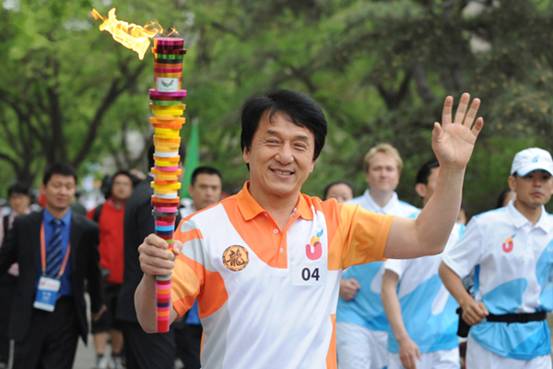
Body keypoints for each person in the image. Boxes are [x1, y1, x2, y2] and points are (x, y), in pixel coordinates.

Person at [135, 90, 484, 369]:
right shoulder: (203, 228)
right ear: (246, 150)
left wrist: (452, 171)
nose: (286, 156)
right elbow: (154, 320)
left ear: (313, 161)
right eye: (272, 141)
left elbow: (428, 238)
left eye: (300, 145)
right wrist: (153, 276)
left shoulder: (336, 221)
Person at [440, 147, 553, 369]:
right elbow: (448, 268)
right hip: (490, 339)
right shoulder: (486, 225)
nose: (537, 184)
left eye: (544, 177)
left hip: (536, 340)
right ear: (513, 182)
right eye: (529, 177)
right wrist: (466, 302)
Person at [0, 163, 104, 369]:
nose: (62, 191)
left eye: (68, 186)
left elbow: (93, 270)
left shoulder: (86, 229)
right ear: (44, 188)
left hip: (67, 312)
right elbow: (3, 261)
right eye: (57, 185)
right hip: (29, 310)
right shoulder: (24, 225)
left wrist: (97, 303)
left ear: (74, 191)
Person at [336, 143, 419, 369]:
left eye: (389, 169)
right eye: (377, 168)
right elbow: (326, 257)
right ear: (367, 174)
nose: (383, 174)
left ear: (398, 175)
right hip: (353, 314)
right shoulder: (347, 211)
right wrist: (337, 284)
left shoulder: (412, 216)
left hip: (397, 320)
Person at [381, 160, 464, 369]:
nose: (448, 184)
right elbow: (387, 286)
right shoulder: (406, 228)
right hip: (409, 347)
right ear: (421, 189)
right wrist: (402, 339)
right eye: (440, 179)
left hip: (446, 344)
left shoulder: (464, 233)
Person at [116, 146, 183, 369]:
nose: (180, 171)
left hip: (138, 307)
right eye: (177, 163)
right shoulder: (155, 200)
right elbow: (157, 258)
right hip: (150, 305)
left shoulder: (142, 192)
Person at [176, 166, 223, 369]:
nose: (209, 193)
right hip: (186, 317)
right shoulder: (178, 221)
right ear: (191, 189)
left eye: (214, 188)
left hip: (219, 318)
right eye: (203, 187)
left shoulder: (229, 224)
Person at [88, 170, 134, 369]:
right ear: (111, 186)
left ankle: (115, 357)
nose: (122, 187)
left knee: (119, 321)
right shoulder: (98, 212)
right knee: (100, 318)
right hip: (102, 276)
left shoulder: (135, 211)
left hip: (126, 276)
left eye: (126, 183)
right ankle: (100, 358)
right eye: (118, 183)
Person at [0, 183, 33, 368]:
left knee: (27, 319)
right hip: (7, 277)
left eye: (21, 197)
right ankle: (3, 358)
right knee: (4, 318)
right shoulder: (3, 220)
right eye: (13, 197)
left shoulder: (36, 219)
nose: (17, 201)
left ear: (28, 199)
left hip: (30, 277)